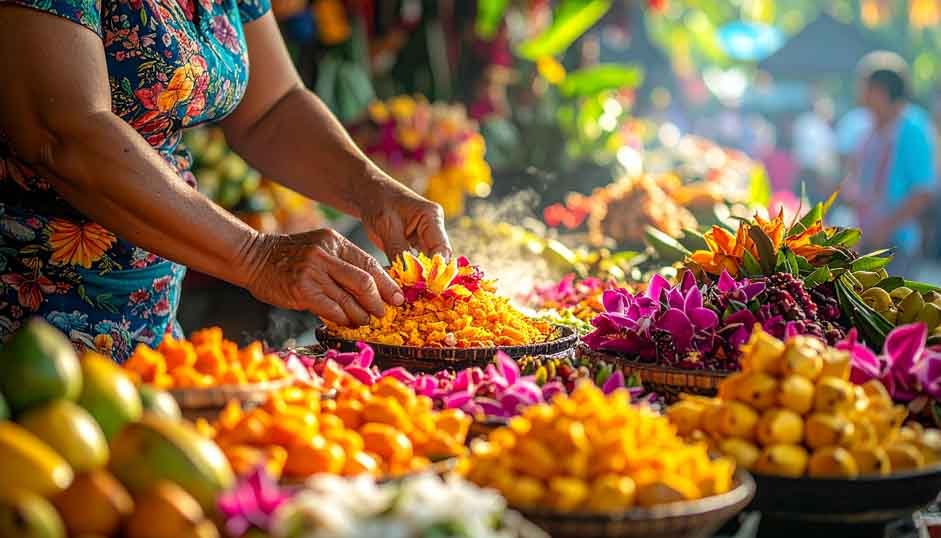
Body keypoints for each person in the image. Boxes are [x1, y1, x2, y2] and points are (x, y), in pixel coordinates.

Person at [0, 0, 450, 360]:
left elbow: (271, 108)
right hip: (27, 323)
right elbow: (63, 132)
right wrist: (256, 256)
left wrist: (375, 190)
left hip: (147, 319)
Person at [845, 51, 937, 269]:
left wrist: (884, 228)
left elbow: (922, 192)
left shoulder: (913, 129)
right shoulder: (872, 128)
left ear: (881, 92)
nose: (861, 97)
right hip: (869, 240)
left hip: (898, 244)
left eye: (865, 89)